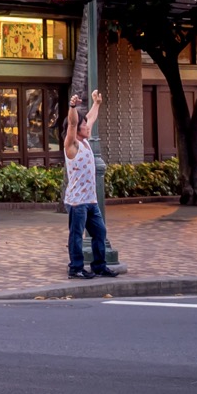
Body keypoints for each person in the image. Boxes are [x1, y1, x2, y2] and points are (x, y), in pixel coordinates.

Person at [63, 92, 115, 280]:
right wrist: (72, 107)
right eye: (83, 125)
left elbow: (91, 117)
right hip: (77, 202)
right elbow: (72, 123)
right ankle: (75, 268)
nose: (87, 126)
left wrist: (97, 103)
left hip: (90, 200)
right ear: (78, 128)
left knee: (100, 232)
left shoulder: (85, 141)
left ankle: (99, 266)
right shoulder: (72, 144)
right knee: (76, 236)